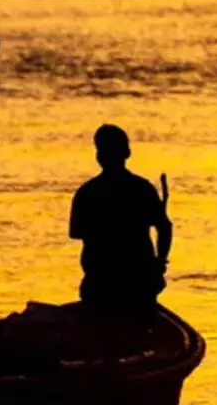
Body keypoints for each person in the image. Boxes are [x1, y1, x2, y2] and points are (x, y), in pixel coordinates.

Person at [69, 125, 172, 315]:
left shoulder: (88, 192)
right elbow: (164, 228)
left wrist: (158, 263)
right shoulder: (142, 189)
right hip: (124, 284)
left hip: (107, 285)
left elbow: (76, 232)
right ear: (127, 153)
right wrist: (159, 261)